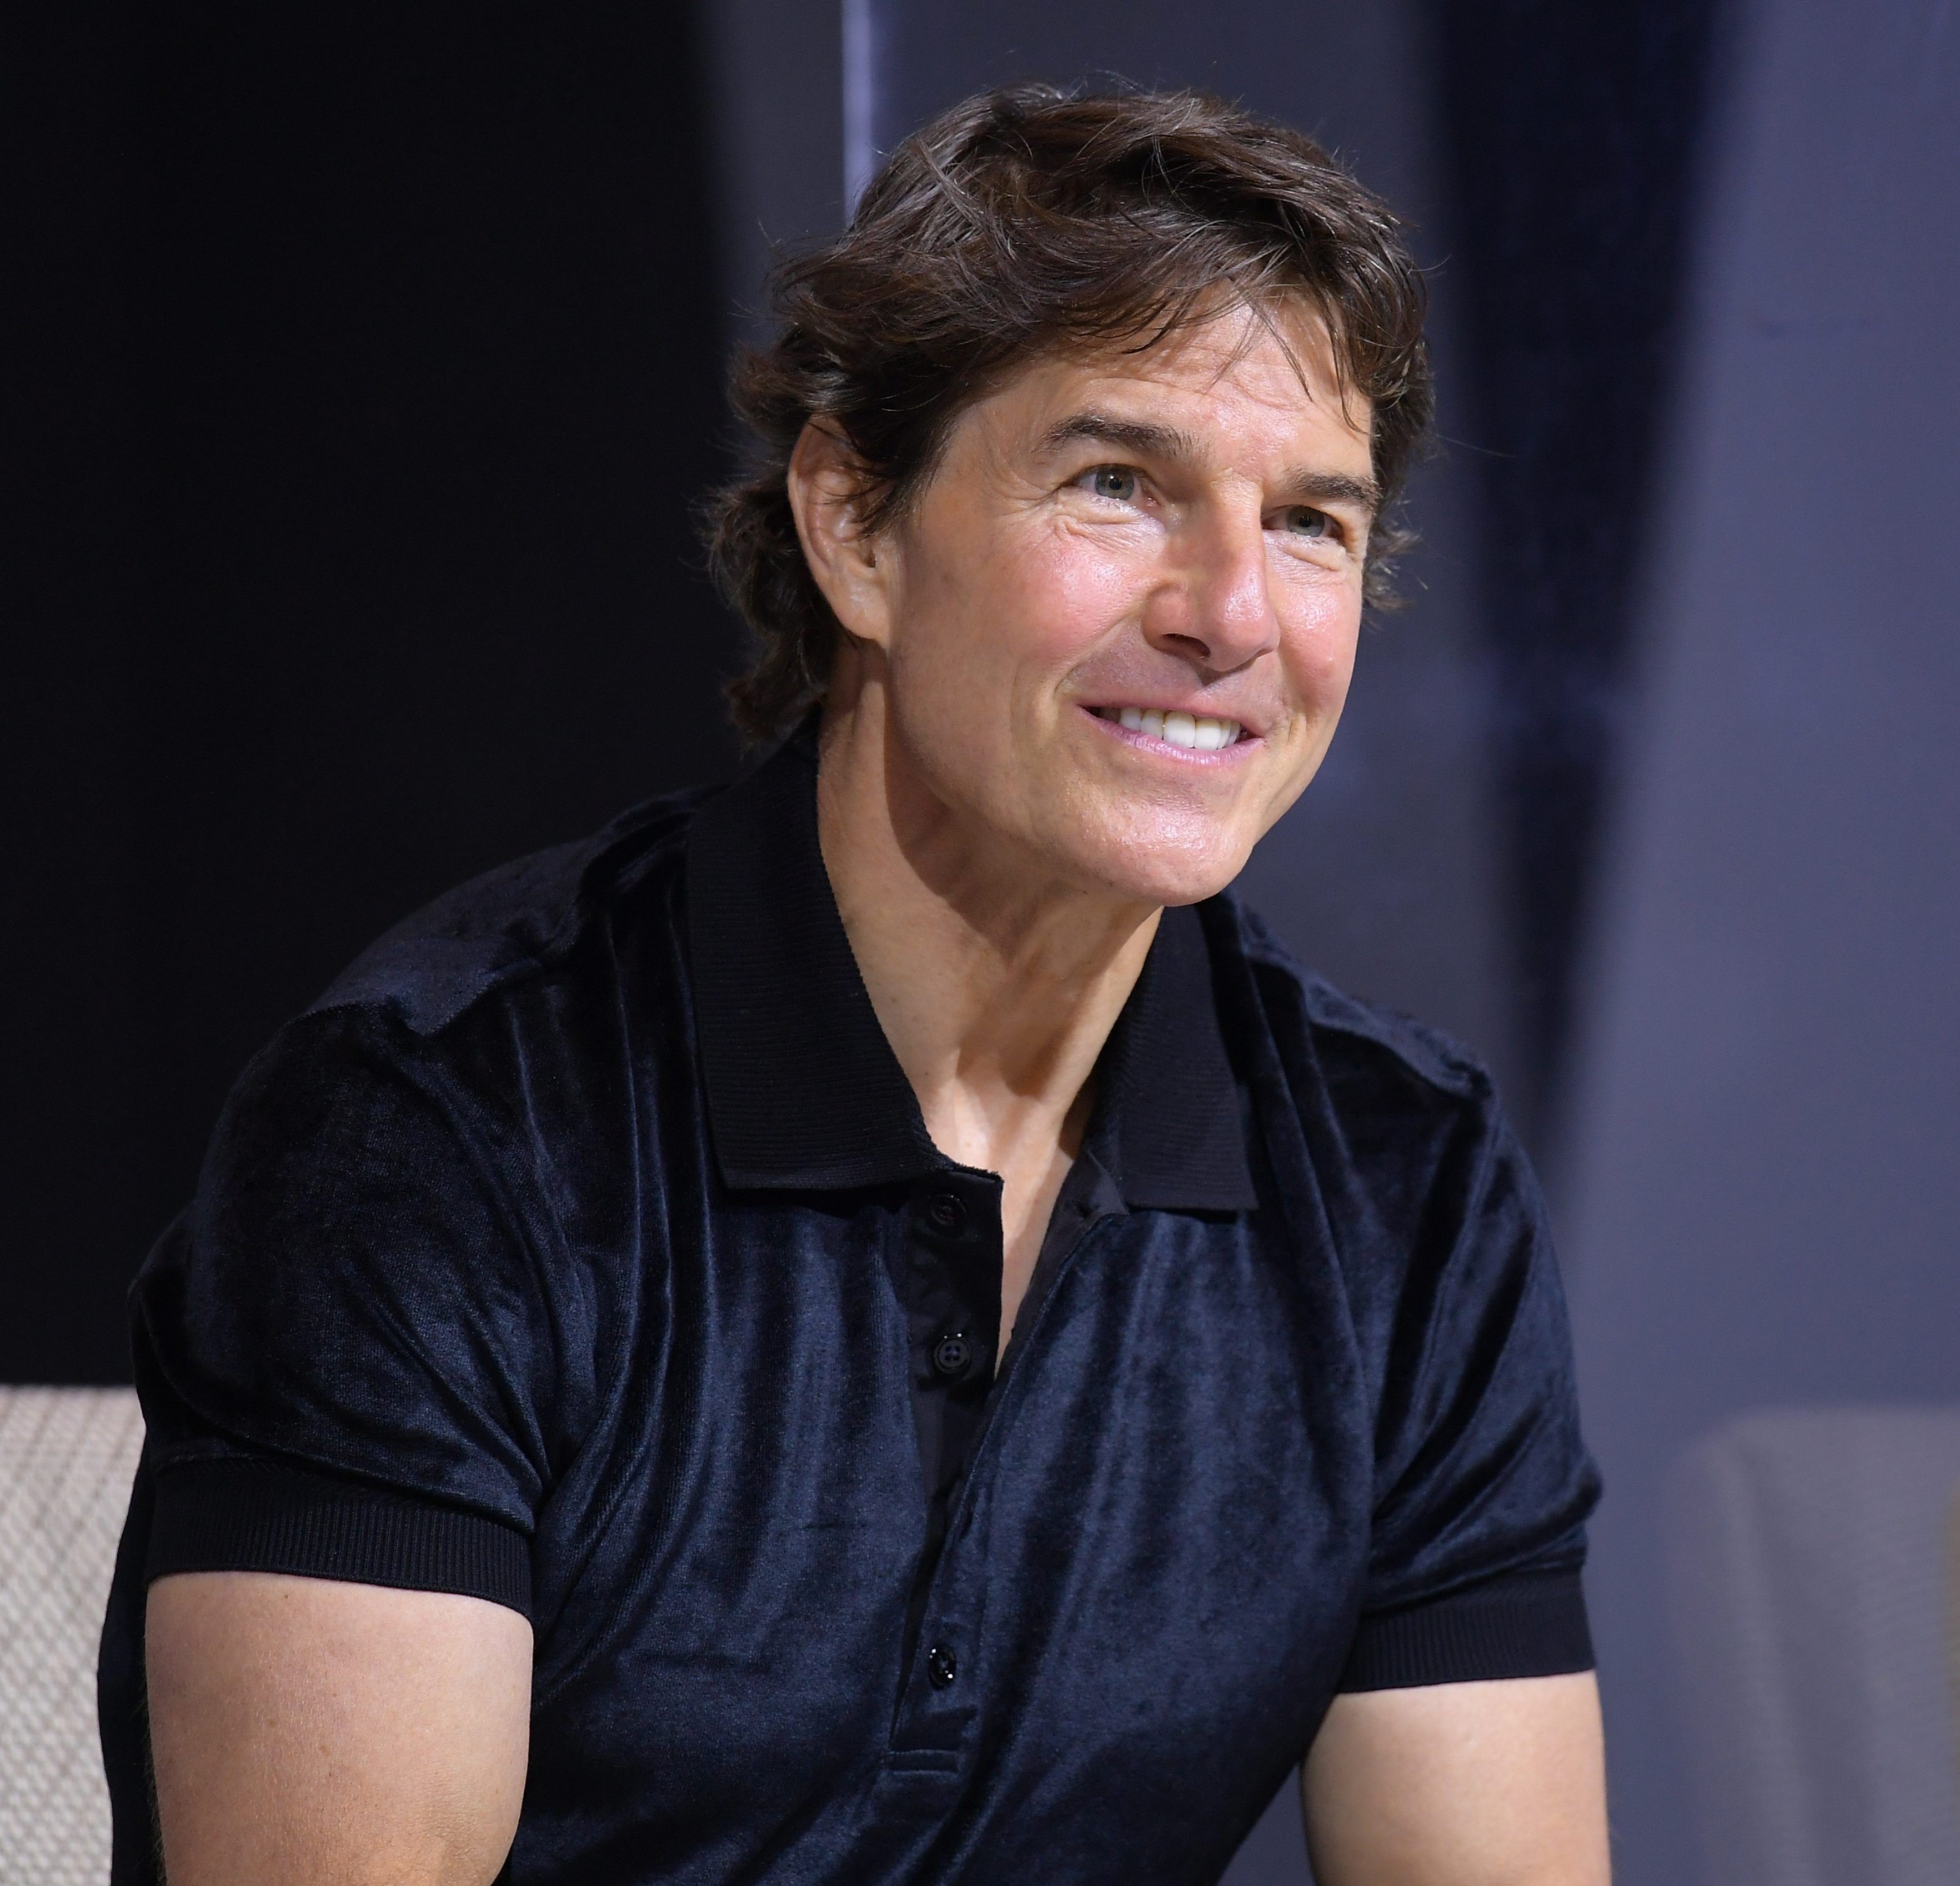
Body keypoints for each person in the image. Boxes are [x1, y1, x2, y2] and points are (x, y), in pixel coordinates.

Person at [102, 84, 1608, 1886]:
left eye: (1309, 522)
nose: (1231, 612)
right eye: (1117, 483)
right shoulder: (441, 1125)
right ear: (854, 528)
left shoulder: (1403, 1193)